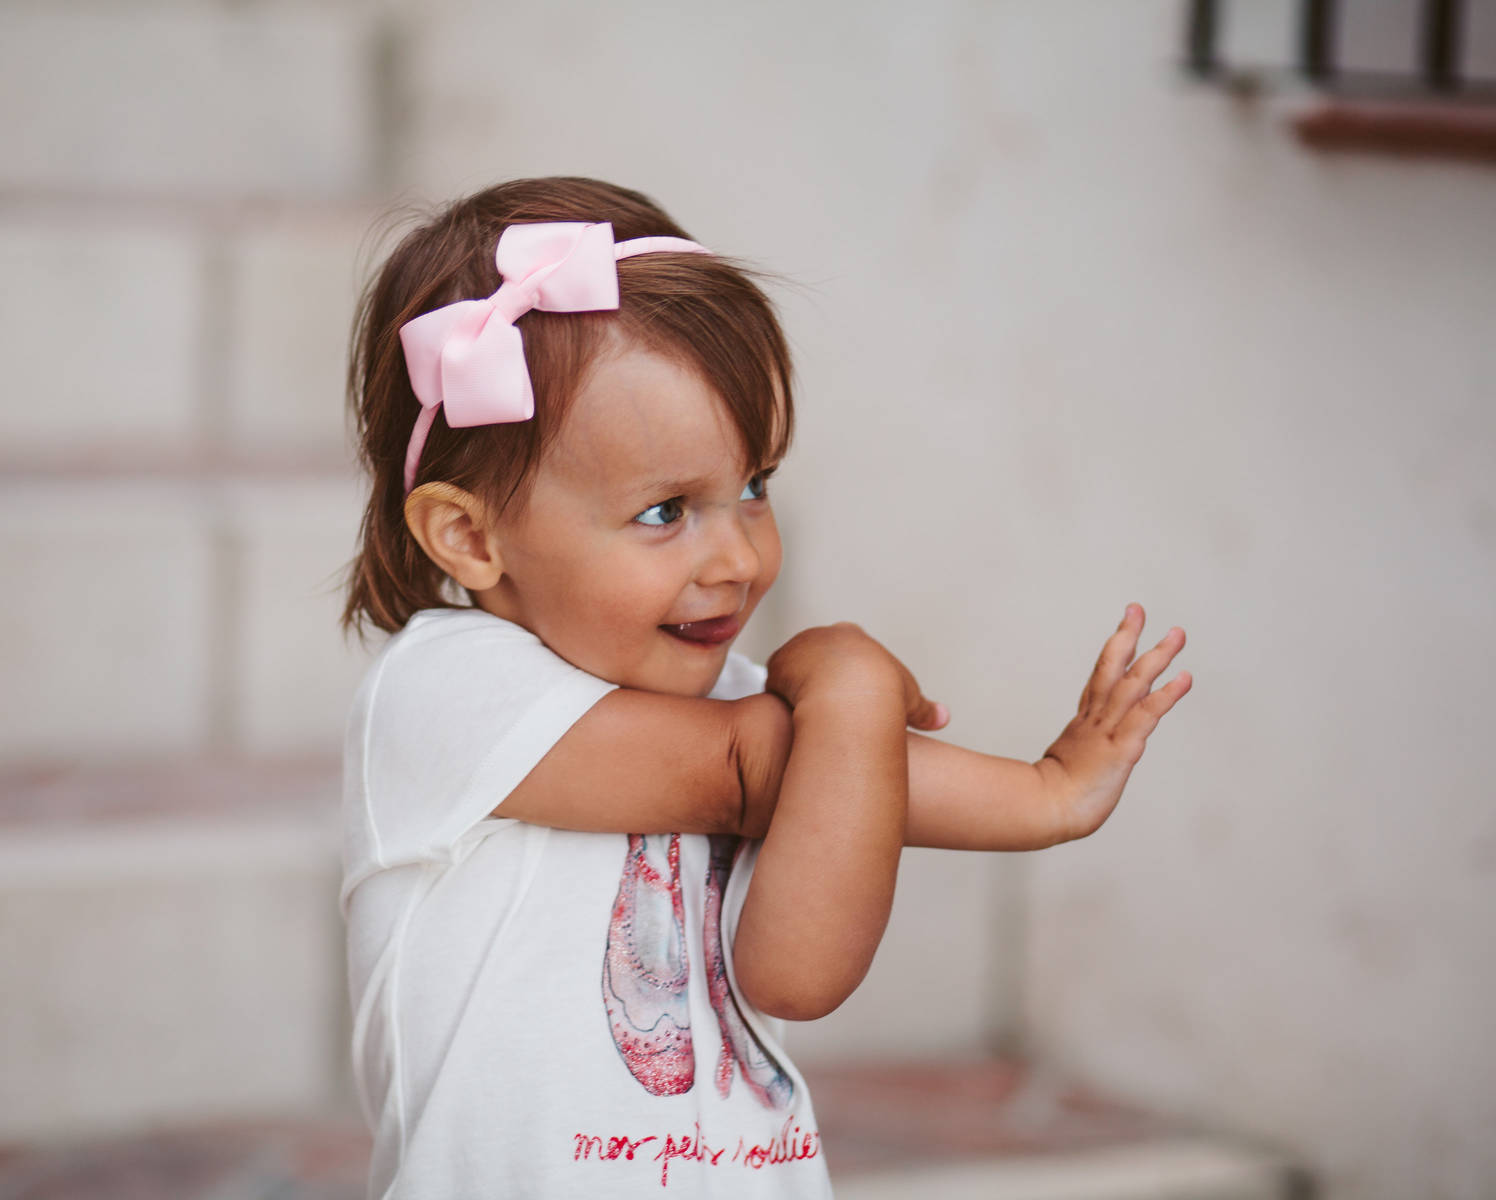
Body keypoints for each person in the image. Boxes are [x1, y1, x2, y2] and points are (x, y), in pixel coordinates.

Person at [337, 176, 1190, 1199]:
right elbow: (762, 771)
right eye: (665, 512)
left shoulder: (746, 711)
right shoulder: (442, 691)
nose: (737, 556)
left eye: (753, 488)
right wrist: (859, 681)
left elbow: (800, 970)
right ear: (470, 536)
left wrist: (1054, 791)